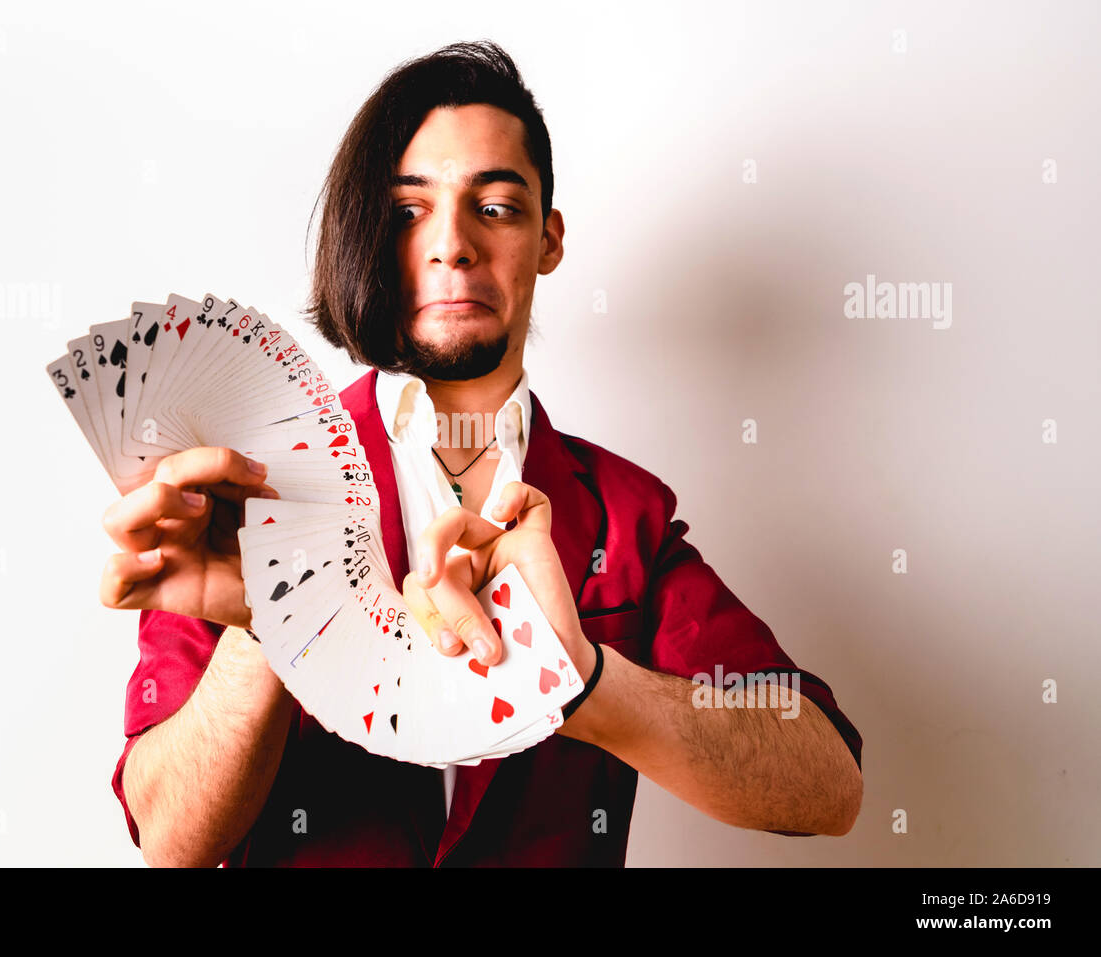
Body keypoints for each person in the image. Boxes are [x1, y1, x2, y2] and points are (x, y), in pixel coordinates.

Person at [99, 41, 863, 867]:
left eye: (495, 206)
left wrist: (582, 678)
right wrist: (270, 627)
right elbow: (171, 841)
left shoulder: (626, 510)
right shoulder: (255, 491)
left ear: (549, 238)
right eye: (408, 210)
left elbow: (827, 783)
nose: (453, 245)